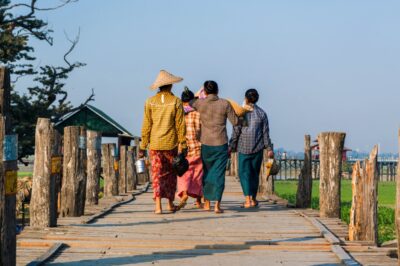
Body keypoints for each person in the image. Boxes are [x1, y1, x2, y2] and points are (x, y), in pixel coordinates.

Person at [140, 70, 187, 214]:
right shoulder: (176, 101)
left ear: (159, 86)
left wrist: (142, 146)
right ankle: (170, 203)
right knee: (171, 174)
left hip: (154, 144)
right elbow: (180, 125)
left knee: (157, 174)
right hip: (171, 144)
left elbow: (147, 125)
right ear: (171, 85)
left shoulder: (150, 102)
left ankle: (158, 206)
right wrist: (183, 144)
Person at [191, 80, 239, 213]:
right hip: (221, 143)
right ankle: (217, 205)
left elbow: (190, 101)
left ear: (205, 92)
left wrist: (198, 93)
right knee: (218, 174)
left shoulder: (200, 103)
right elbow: (235, 121)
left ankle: (206, 203)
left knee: (206, 173)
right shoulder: (225, 104)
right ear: (217, 91)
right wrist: (243, 117)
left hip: (206, 143)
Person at [230, 89, 274, 208]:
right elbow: (266, 134)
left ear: (246, 99)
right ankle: (253, 199)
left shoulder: (241, 113)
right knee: (254, 174)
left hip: (243, 147)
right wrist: (269, 148)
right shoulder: (262, 113)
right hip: (257, 148)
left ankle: (247, 199)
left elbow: (236, 131)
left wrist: (231, 146)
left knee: (244, 174)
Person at [176, 87, 203, 209]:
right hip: (198, 148)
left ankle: (184, 193)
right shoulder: (198, 113)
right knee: (198, 174)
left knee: (184, 173)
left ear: (182, 101)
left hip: (183, 149)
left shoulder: (179, 114)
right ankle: (198, 200)